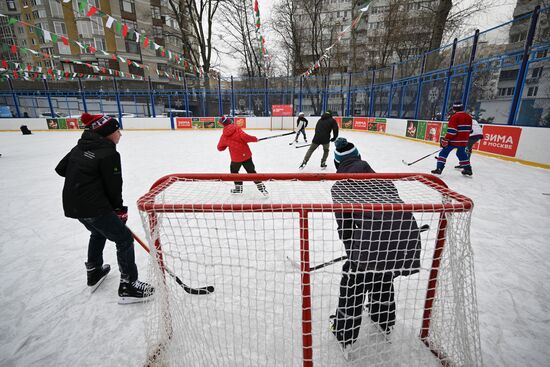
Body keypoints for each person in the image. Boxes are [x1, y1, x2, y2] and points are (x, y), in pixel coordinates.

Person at [329, 137, 422, 349]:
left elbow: (345, 226)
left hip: (375, 242)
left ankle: (344, 333)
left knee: (353, 280)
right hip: (406, 237)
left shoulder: (340, 187)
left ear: (337, 164)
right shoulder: (383, 179)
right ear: (360, 158)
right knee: (382, 272)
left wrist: (352, 252)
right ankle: (384, 320)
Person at [55, 112, 154, 304]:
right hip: (95, 207)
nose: (120, 134)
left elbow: (61, 169)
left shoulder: (80, 146)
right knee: (124, 239)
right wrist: (119, 210)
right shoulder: (109, 153)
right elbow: (113, 186)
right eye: (117, 130)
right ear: (107, 132)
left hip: (74, 206)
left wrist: (83, 173)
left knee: (97, 233)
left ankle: (94, 270)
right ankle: (129, 285)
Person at [217, 115, 268, 195]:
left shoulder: (224, 136)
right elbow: (245, 137)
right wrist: (255, 139)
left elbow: (220, 148)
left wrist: (226, 145)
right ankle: (262, 189)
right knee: (252, 172)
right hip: (246, 155)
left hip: (236, 158)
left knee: (234, 172)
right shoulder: (237, 129)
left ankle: (238, 189)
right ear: (230, 121)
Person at [432, 101, 473, 176]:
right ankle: (468, 169)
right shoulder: (469, 116)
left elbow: (452, 131)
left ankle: (439, 168)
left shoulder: (454, 117)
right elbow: (470, 130)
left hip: (454, 140)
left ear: (454, 108)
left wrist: (445, 139)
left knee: (443, 153)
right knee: (461, 153)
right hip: (464, 140)